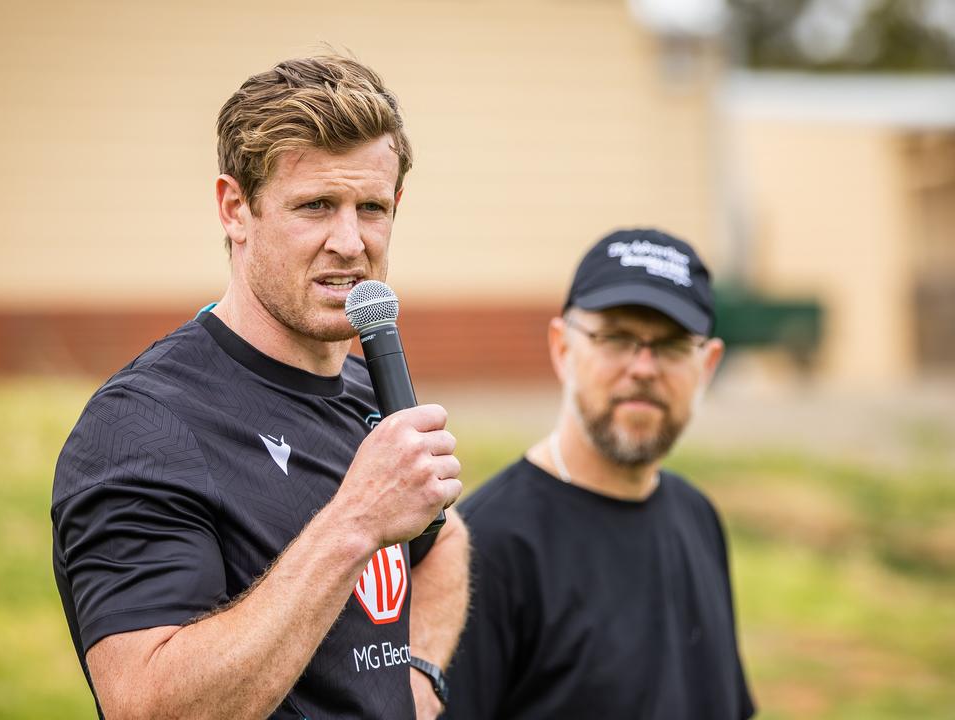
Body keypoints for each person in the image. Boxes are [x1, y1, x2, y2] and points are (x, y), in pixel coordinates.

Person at [52, 54, 470, 720]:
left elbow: (442, 540)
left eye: (371, 208)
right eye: (315, 207)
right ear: (235, 208)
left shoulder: (369, 389)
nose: (350, 241)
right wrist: (355, 521)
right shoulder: (142, 427)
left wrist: (418, 679)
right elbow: (148, 707)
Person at [440, 229, 755, 719]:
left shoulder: (698, 518)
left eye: (671, 345)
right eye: (616, 338)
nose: (643, 368)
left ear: (708, 365)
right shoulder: (489, 546)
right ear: (562, 348)